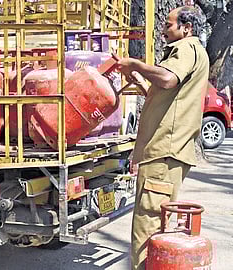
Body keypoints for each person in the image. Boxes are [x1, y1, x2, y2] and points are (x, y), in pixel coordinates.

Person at [116, 6, 209, 270]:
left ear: (186, 28)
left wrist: (136, 64)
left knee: (147, 229)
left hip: (164, 153)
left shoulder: (186, 48)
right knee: (156, 222)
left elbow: (168, 78)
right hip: (167, 153)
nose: (163, 29)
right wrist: (141, 82)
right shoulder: (195, 53)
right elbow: (168, 97)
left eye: (168, 25)